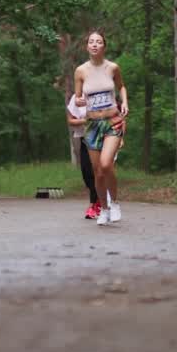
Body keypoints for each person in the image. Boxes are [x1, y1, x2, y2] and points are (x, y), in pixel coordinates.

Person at [74, 30, 128, 226]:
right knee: (97, 171)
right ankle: (103, 209)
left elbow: (121, 86)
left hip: (112, 121)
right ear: (87, 46)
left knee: (106, 164)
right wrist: (80, 101)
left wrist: (125, 103)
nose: (95, 44)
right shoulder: (80, 71)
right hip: (92, 124)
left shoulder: (112, 67)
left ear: (104, 46)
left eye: (98, 42)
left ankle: (114, 203)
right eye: (91, 42)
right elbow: (79, 97)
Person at [65, 93, 100, 219]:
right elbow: (70, 120)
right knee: (87, 173)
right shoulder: (77, 96)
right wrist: (85, 121)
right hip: (84, 138)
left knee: (98, 171)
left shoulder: (101, 92)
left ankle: (95, 204)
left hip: (102, 138)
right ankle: (100, 200)